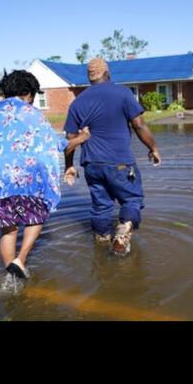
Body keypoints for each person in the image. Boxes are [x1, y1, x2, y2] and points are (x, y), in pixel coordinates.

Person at [0, 70, 89, 279]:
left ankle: (11, 277)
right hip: (28, 181)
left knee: (7, 230)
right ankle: (20, 259)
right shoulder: (33, 114)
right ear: (30, 93)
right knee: (36, 216)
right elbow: (57, 144)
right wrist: (82, 137)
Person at [63, 58, 161, 256]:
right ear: (107, 73)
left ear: (89, 78)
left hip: (91, 165)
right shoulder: (123, 93)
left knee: (100, 206)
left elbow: (70, 140)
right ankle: (123, 230)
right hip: (120, 162)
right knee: (132, 199)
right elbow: (139, 124)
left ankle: (101, 241)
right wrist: (153, 148)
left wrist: (69, 166)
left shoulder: (77, 103)